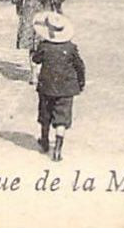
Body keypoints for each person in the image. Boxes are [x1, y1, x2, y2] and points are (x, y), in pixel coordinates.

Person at [28, 10, 85, 161]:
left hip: (47, 86)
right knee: (62, 118)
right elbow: (80, 66)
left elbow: (36, 59)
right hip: (66, 88)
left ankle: (45, 141)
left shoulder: (44, 46)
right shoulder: (71, 48)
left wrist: (36, 50)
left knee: (45, 113)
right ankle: (58, 149)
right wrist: (81, 82)